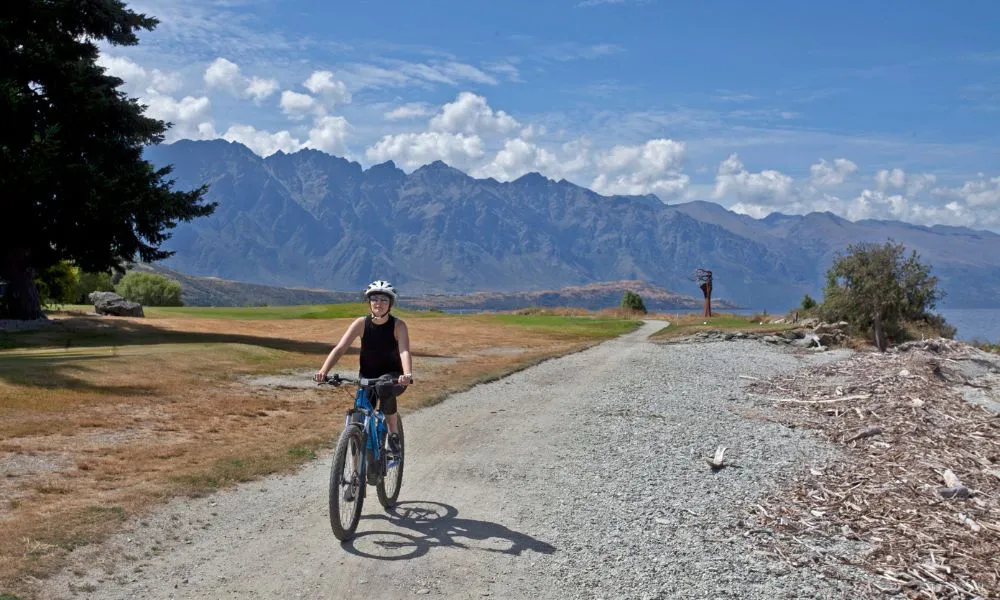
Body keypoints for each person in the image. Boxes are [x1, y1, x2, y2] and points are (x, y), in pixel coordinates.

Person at [314, 280, 412, 456]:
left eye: (384, 299)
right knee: (358, 416)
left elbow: (404, 351)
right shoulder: (361, 324)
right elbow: (340, 348)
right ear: (369, 302)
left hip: (394, 377)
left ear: (390, 304)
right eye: (375, 299)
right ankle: (355, 472)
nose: (379, 303)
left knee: (384, 387)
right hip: (367, 377)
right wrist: (323, 371)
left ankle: (393, 433)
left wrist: (407, 373)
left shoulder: (398, 326)